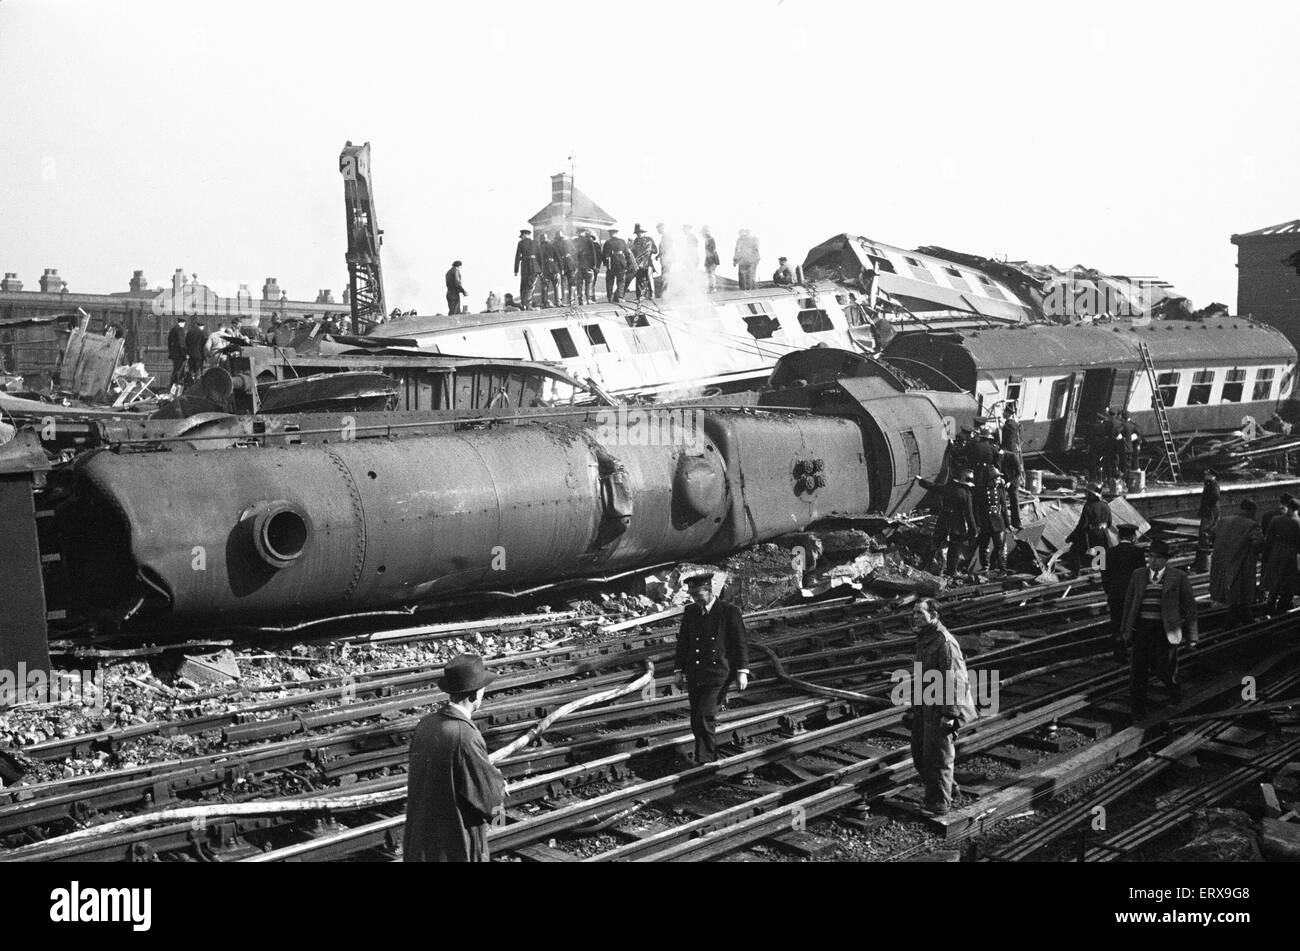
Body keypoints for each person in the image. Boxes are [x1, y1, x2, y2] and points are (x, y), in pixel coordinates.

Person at [403, 653, 506, 862]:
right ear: (473, 695)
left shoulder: (425, 724)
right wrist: (499, 786)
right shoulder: (466, 736)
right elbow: (489, 801)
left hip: (420, 846)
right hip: (455, 849)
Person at [901, 599, 977, 817]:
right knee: (920, 755)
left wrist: (950, 714)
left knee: (938, 758)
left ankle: (938, 805)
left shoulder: (944, 642)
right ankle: (949, 789)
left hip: (942, 708)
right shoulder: (925, 638)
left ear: (934, 614)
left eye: (919, 612)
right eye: (913, 613)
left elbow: (955, 680)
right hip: (926, 706)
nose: (914, 616)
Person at [673, 573, 749, 764]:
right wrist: (678, 671)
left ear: (709, 590)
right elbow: (684, 643)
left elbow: (740, 643)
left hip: (718, 674)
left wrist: (742, 671)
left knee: (705, 717)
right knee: (695, 719)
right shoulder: (691, 611)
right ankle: (704, 755)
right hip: (695, 673)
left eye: (698, 594)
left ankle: (705, 760)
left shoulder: (728, 611)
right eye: (692, 595)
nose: (695, 598)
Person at [1121, 538, 1198, 717]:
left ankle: (1174, 697)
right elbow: (1129, 603)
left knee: (1167, 669)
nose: (1152, 561)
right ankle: (1138, 708)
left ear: (1165, 560)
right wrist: (1125, 629)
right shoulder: (1138, 575)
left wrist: (1192, 636)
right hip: (1142, 629)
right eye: (1150, 557)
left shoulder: (1178, 577)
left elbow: (1189, 607)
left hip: (1165, 631)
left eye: (1157, 558)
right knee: (1138, 670)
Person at [1210, 499, 1264, 629]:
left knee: (1233, 597)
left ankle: (1240, 622)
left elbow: (1212, 533)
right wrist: (1252, 552)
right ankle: (1236, 625)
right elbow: (1259, 542)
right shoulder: (1252, 525)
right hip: (1240, 566)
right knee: (1239, 596)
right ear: (1251, 511)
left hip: (1221, 564)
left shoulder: (1224, 520)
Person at [917, 470, 978, 578]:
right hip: (957, 523)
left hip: (943, 520)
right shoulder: (966, 494)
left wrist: (921, 480)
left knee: (935, 543)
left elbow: (933, 486)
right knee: (955, 548)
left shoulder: (948, 488)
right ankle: (951, 570)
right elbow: (969, 514)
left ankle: (926, 566)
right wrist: (973, 530)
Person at [1102, 525, 1147, 661]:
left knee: (1117, 623)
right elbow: (1142, 575)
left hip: (1115, 594)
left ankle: (1119, 653)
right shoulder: (1138, 552)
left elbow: (1104, 575)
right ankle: (1137, 653)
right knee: (1136, 622)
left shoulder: (1108, 553)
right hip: (1133, 594)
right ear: (1133, 537)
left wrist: (1109, 591)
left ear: (1118, 536)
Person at [1261, 497, 1300, 615]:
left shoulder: (1275, 519)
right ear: (1297, 509)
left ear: (1287, 506)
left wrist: (1266, 555)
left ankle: (1270, 605)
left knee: (1275, 581)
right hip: (1291, 556)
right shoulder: (1298, 522)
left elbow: (1268, 539)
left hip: (1276, 552)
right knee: (1288, 583)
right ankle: (1282, 608)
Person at [973, 462, 1010, 574]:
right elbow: (976, 509)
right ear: (990, 479)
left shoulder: (999, 490)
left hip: (998, 522)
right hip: (985, 522)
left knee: (1000, 546)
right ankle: (985, 567)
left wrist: (1007, 524)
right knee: (984, 546)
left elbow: (1003, 507)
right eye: (996, 478)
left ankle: (1001, 568)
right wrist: (977, 524)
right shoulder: (980, 491)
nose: (998, 480)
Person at [1067, 483, 1113, 565]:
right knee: (1102, 563)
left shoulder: (1088, 506)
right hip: (1104, 538)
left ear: (1092, 495)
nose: (1086, 495)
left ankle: (1075, 572)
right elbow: (1109, 523)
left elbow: (1082, 525)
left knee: (1074, 550)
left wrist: (1071, 537)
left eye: (1087, 493)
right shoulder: (1106, 505)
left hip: (1092, 537)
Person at [1194, 471, 1220, 572]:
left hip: (1210, 513)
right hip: (1209, 512)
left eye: (1206, 474)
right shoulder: (1210, 484)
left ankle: (1205, 564)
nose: (1204, 476)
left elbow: (1216, 496)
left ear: (1211, 475)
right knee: (1205, 534)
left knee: (1206, 533)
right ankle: (1203, 562)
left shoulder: (1213, 484)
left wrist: (1208, 506)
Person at [513, 229, 540, 310]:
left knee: (523, 286)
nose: (521, 238)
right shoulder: (535, 242)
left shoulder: (521, 243)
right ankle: (528, 304)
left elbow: (517, 257)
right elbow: (539, 256)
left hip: (524, 267)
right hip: (534, 267)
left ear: (524, 234)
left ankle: (524, 304)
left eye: (521, 236)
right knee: (531, 286)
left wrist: (516, 270)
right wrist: (540, 269)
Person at [630, 224, 658, 301]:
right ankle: (639, 296)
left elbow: (655, 250)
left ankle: (652, 294)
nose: (639, 234)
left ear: (643, 232)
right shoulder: (635, 241)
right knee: (639, 280)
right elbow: (633, 252)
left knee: (649, 278)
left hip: (647, 262)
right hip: (638, 263)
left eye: (640, 232)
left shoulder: (649, 239)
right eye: (637, 233)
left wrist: (650, 251)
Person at [601, 228, 628, 303]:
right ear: (616, 233)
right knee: (621, 281)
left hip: (611, 264)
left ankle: (610, 297)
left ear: (610, 234)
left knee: (610, 281)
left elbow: (604, 255)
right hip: (621, 263)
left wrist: (606, 263)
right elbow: (626, 253)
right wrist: (626, 264)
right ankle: (620, 297)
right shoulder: (622, 241)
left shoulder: (608, 242)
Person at [574, 230, 600, 305]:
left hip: (578, 266)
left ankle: (580, 300)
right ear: (583, 233)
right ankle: (588, 299)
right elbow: (593, 253)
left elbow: (572, 253)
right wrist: (594, 264)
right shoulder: (588, 240)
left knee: (579, 283)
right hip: (587, 265)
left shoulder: (575, 241)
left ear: (578, 233)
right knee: (588, 283)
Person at [539, 233, 564, 308]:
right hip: (554, 269)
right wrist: (561, 268)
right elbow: (559, 259)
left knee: (544, 287)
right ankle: (558, 302)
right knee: (557, 286)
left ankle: (545, 303)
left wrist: (539, 271)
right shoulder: (552, 246)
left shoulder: (539, 247)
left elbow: (538, 260)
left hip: (544, 270)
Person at [167, 315, 188, 388]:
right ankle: (177, 386)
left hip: (174, 354)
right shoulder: (180, 330)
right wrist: (185, 354)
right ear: (183, 322)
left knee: (175, 369)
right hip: (180, 354)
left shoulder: (172, 329)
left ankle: (172, 385)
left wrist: (171, 352)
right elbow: (181, 343)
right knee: (180, 371)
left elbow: (169, 342)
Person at [1118, 410, 1141, 474]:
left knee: (1124, 465)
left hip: (1125, 447)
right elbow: (1139, 433)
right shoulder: (1133, 424)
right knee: (1130, 464)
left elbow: (1117, 432)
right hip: (1131, 447)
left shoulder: (1124, 425)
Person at [702, 225, 720, 292]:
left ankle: (712, 288)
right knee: (708, 274)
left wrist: (711, 260)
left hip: (711, 259)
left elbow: (713, 250)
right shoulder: (707, 240)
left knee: (711, 274)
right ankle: (710, 288)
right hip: (708, 259)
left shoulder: (711, 239)